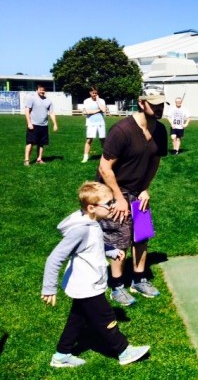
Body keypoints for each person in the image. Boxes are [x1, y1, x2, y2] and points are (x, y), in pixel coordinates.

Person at [41, 181, 150, 367]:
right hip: (87, 285)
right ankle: (124, 351)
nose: (113, 206)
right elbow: (54, 258)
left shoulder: (92, 222)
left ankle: (61, 356)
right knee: (106, 317)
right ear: (91, 208)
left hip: (89, 282)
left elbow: (93, 245)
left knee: (77, 319)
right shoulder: (81, 229)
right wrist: (49, 288)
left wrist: (111, 251)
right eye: (109, 204)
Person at [97, 90, 168, 306]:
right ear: (141, 103)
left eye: (161, 104)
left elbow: (155, 161)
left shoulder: (160, 130)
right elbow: (104, 167)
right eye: (154, 104)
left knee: (142, 235)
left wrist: (145, 187)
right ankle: (117, 286)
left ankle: (139, 279)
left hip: (138, 190)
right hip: (113, 189)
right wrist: (118, 199)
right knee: (119, 237)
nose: (159, 108)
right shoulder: (122, 130)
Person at [24, 84, 58, 166]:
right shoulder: (32, 99)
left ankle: (39, 159)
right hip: (33, 125)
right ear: (37, 90)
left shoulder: (48, 101)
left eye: (43, 90)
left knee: (41, 143)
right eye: (40, 90)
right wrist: (29, 123)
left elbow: (52, 113)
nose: (42, 91)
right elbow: (27, 111)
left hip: (44, 125)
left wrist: (55, 124)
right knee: (30, 142)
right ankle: (26, 160)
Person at [81, 86, 107, 163]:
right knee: (89, 140)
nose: (94, 94)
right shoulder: (86, 101)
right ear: (90, 93)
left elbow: (104, 110)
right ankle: (85, 157)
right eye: (93, 93)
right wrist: (99, 110)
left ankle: (105, 156)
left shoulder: (101, 100)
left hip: (100, 122)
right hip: (91, 123)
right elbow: (88, 112)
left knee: (102, 140)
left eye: (96, 93)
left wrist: (98, 101)